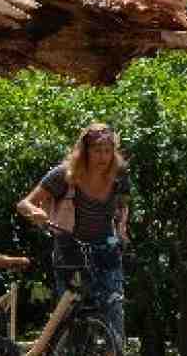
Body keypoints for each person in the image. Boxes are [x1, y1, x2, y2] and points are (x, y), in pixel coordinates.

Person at [15, 122, 131, 341]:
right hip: (70, 248)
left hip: (105, 247)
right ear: (85, 151)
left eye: (108, 151)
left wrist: (122, 227)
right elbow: (25, 204)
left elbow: (123, 205)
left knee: (114, 305)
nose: (103, 157)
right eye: (97, 150)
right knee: (72, 313)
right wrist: (35, 213)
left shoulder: (119, 176)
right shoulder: (64, 175)